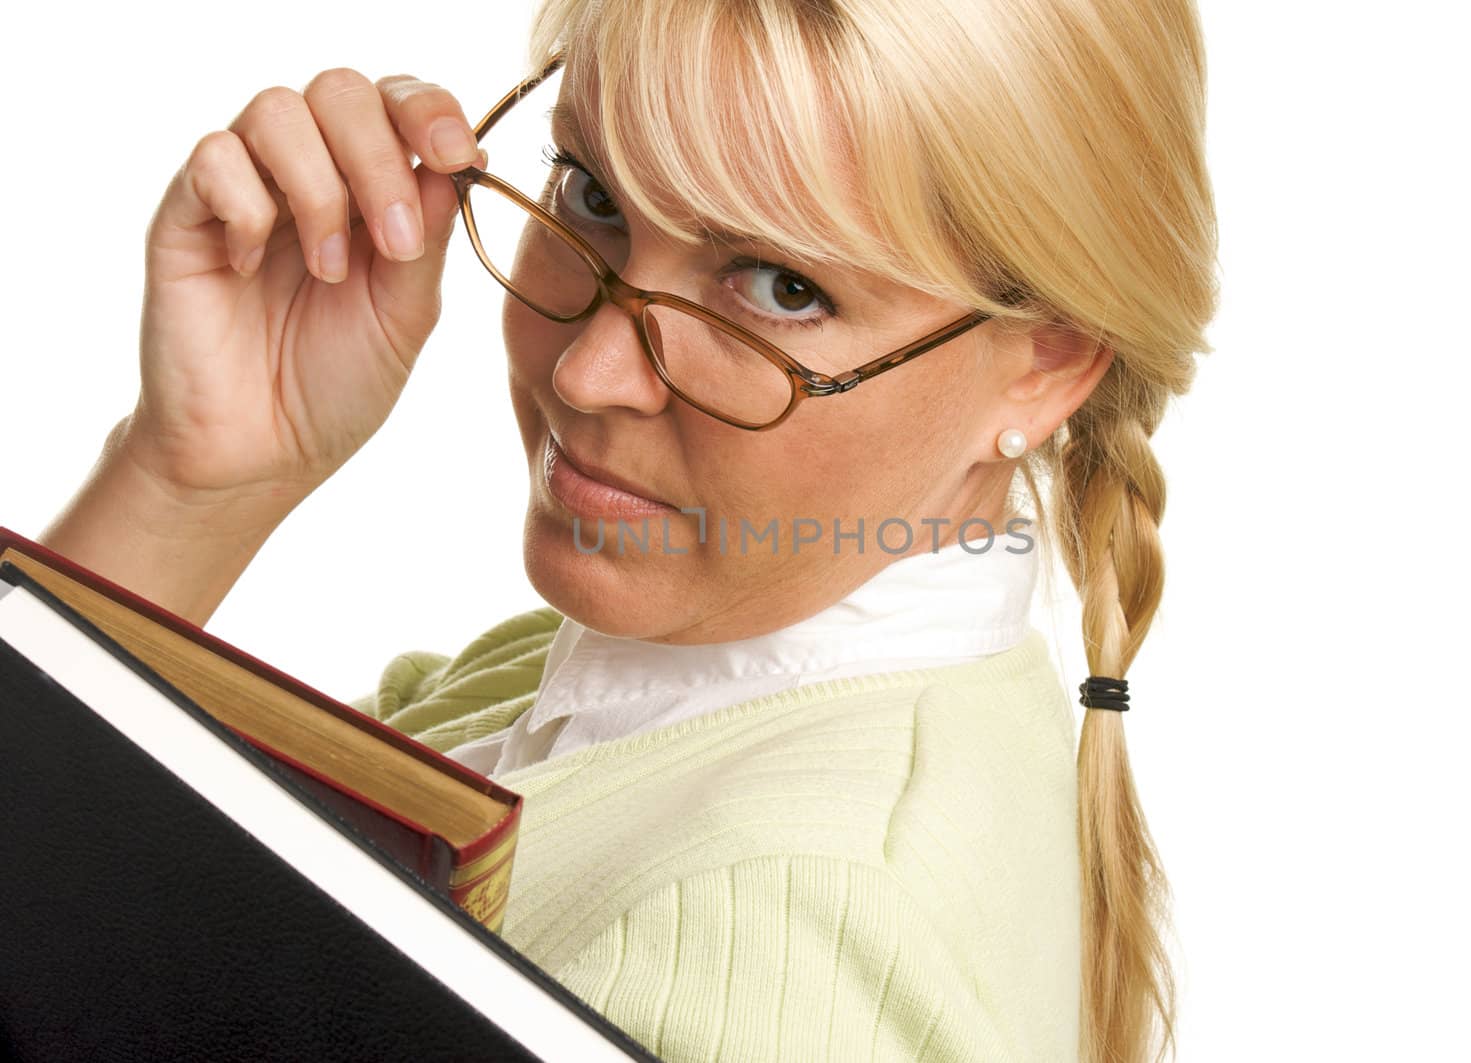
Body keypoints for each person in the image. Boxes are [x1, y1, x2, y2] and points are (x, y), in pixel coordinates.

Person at [38, 0, 1217, 1058]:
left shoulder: (778, 926)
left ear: (1046, 363)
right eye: (594, 198)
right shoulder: (657, 671)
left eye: (777, 284)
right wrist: (194, 480)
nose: (593, 372)